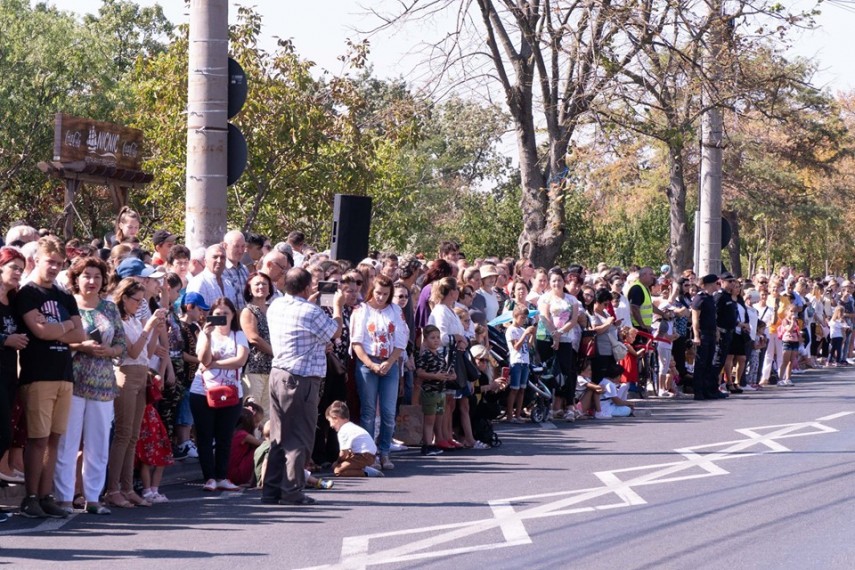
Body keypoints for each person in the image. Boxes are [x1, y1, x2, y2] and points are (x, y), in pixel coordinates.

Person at [16, 237, 85, 519]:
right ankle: (31, 496)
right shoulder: (27, 294)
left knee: (55, 438)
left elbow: (80, 335)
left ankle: (46, 495)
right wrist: (65, 327)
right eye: (50, 262)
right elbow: (40, 332)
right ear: (37, 260)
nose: (55, 267)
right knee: (38, 438)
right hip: (38, 374)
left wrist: (60, 326)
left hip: (64, 374)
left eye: (59, 263)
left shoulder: (65, 296)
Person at [262, 268, 343, 506]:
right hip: (301, 379)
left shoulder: (276, 305)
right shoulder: (310, 311)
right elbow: (334, 332)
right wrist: (337, 307)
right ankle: (292, 491)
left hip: (279, 374)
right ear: (307, 287)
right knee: (299, 436)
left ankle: (272, 490)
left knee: (278, 436)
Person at [55, 257, 126, 516]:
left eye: (97, 276)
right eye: (86, 276)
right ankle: (63, 497)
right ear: (76, 278)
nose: (92, 281)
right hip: (72, 380)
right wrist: (79, 345)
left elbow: (122, 343)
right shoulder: (67, 305)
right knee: (68, 442)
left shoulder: (109, 308)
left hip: (104, 383)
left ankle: (93, 497)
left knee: (97, 444)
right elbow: (59, 338)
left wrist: (110, 350)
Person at [105, 279, 164, 509]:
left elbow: (146, 354)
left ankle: (127, 488)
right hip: (126, 375)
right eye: (137, 300)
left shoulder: (134, 319)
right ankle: (113, 489)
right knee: (123, 433)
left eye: (142, 301)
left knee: (133, 436)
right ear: (124, 298)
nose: (140, 305)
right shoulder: (118, 319)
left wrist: (155, 330)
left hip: (141, 374)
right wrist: (148, 327)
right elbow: (131, 351)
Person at [349, 274, 408, 470]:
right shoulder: (362, 310)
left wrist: (390, 362)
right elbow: (356, 342)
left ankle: (384, 452)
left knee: (388, 411)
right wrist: (371, 364)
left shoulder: (396, 310)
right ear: (371, 292)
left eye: (385, 293)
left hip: (389, 362)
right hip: (368, 362)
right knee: (368, 411)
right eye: (378, 293)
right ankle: (369, 453)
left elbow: (401, 342)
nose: (382, 297)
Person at [189, 297, 248, 492]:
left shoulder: (238, 334)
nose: (222, 317)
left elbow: (240, 360)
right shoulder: (205, 334)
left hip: (231, 391)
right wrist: (206, 337)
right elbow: (203, 359)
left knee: (225, 436)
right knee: (205, 435)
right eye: (217, 314)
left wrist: (216, 364)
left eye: (226, 314)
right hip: (203, 390)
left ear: (233, 315)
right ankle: (209, 478)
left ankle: (222, 476)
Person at [0, 248, 28, 520]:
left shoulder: (14, 301)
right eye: (14, 267)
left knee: (5, 432)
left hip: (9, 373)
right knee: (2, 435)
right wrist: (4, 340)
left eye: (21, 268)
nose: (19, 272)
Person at [239, 272, 274, 419]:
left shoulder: (273, 309)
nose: (261, 287)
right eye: (257, 284)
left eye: (264, 284)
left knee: (268, 412)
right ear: (249, 289)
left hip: (272, 368)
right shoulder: (248, 311)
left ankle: (265, 441)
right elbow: (253, 338)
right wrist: (276, 352)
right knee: (252, 411)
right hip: (255, 367)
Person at [415, 325, 452, 457]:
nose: (436, 340)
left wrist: (449, 376)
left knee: (438, 418)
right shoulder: (425, 355)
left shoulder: (440, 354)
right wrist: (434, 376)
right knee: (429, 420)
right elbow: (419, 372)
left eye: (437, 337)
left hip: (441, 391)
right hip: (429, 391)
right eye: (432, 338)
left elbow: (443, 370)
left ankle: (435, 443)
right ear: (425, 340)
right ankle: (427, 445)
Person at [326, 400, 383, 477]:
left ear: (336, 418)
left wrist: (337, 462)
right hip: (368, 455)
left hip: (364, 456)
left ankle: (367, 472)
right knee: (342, 465)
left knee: (338, 470)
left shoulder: (343, 430)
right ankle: (363, 468)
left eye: (330, 421)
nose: (330, 425)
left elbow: (343, 453)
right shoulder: (351, 426)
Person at [691, 274, 725, 401]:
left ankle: (707, 390)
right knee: (701, 363)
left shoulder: (710, 298)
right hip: (703, 334)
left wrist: (716, 331)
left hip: (711, 333)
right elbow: (695, 319)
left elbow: (712, 318)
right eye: (717, 283)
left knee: (709, 363)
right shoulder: (699, 298)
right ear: (710, 284)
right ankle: (698, 391)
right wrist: (696, 336)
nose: (718, 286)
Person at [505, 305, 535, 423]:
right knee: (514, 389)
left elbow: (527, 346)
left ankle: (518, 414)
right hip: (516, 361)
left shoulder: (523, 330)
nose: (524, 320)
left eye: (525, 318)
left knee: (522, 389)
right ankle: (509, 416)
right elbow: (516, 347)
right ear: (515, 316)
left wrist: (532, 335)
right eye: (522, 318)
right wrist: (524, 334)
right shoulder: (511, 330)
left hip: (525, 362)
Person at [186, 244, 237, 310]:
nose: (219, 260)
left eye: (222, 257)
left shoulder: (228, 284)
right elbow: (193, 313)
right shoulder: (198, 282)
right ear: (205, 261)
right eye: (215, 257)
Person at [222, 230, 249, 312]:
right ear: (225, 246)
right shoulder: (221, 270)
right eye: (236, 246)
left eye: (243, 246)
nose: (240, 251)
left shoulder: (244, 269)